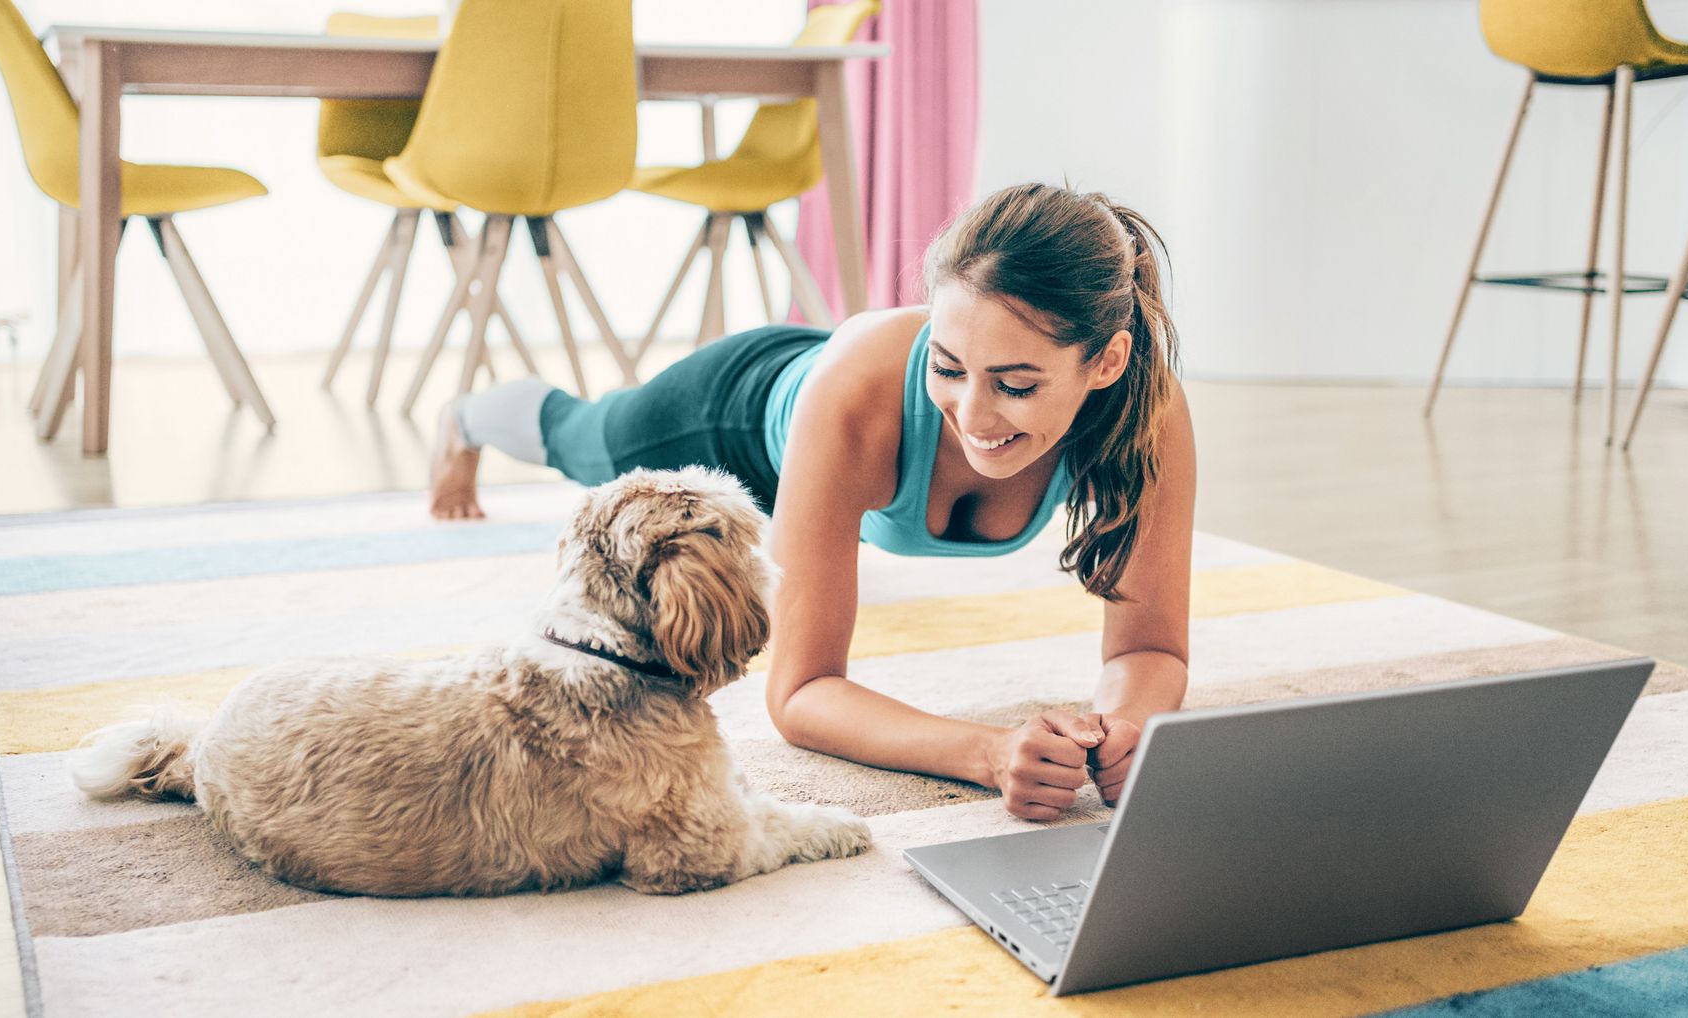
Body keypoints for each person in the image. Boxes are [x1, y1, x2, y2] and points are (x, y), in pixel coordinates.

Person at [429, 182, 1195, 821]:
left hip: (833, 438)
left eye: (1017, 384)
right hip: (735, 414)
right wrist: (989, 752)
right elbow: (799, 693)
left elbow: (1148, 649)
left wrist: (1127, 730)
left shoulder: (1147, 416)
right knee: (581, 436)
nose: (972, 414)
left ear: (1107, 362)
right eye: (947, 366)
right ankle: (465, 416)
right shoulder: (861, 397)